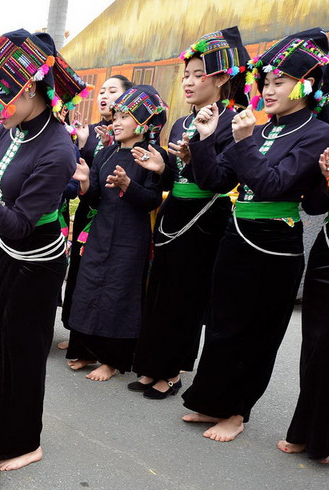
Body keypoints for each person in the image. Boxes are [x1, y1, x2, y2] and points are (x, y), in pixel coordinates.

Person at [182, 28, 329, 442]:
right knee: (222, 324)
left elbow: (273, 184)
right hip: (237, 234)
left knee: (257, 333)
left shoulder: (318, 133)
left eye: (278, 82)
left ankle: (236, 412)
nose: (267, 90)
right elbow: (216, 181)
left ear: (306, 84)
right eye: (265, 82)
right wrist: (205, 139)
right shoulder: (262, 130)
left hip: (275, 244)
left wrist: (243, 141)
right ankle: (211, 400)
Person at [0, 29, 87, 470]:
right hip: (4, 251)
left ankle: (24, 442)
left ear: (27, 89)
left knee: (20, 353)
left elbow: (21, 223)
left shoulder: (59, 149)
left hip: (38, 260)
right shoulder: (9, 132)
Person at [130, 27, 250, 399]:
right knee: (160, 292)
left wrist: (197, 151)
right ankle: (152, 365)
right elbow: (175, 175)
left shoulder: (233, 122)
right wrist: (161, 167)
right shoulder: (183, 122)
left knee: (187, 296)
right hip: (174, 212)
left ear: (221, 79)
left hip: (205, 217)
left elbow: (220, 179)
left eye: (199, 75)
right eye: (186, 75)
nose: (188, 82)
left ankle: (174, 371)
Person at [68, 85, 169, 382]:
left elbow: (152, 200)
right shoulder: (105, 153)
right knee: (89, 287)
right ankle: (87, 350)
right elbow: (95, 198)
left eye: (124, 117)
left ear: (142, 122)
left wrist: (128, 185)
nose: (116, 122)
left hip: (131, 236)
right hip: (101, 231)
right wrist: (85, 183)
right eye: (116, 117)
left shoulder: (152, 155)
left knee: (118, 294)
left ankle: (113, 361)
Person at [59, 74, 133, 350]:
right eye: (102, 91)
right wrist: (81, 144)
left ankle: (96, 342)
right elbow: (79, 169)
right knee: (80, 272)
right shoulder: (86, 131)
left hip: (113, 212)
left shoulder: (132, 132)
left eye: (112, 91)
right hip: (88, 207)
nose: (104, 96)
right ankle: (75, 333)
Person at [280, 69, 329, 463]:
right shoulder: (326, 132)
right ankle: (306, 431)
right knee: (314, 341)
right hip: (328, 250)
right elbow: (314, 206)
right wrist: (327, 180)